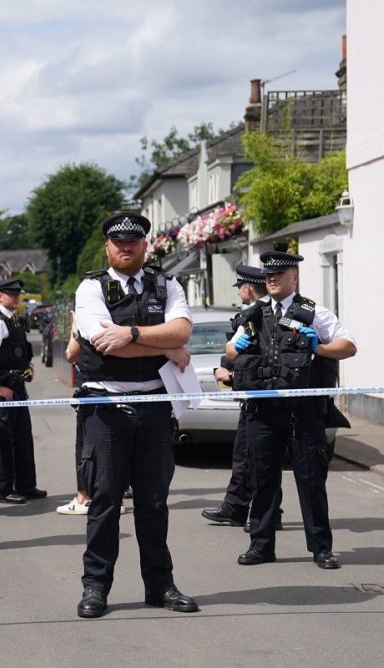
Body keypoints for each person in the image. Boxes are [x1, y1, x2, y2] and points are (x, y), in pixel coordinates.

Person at [73, 212, 198, 618]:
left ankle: (160, 586)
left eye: (134, 241)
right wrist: (162, 345)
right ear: (108, 247)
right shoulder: (91, 288)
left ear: (146, 245)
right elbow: (103, 345)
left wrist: (131, 333)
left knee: (154, 502)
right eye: (118, 242)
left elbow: (181, 333)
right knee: (105, 501)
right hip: (107, 408)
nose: (126, 247)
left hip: (155, 406)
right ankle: (96, 588)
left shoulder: (169, 284)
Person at [228, 251, 357, 570]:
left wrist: (319, 347)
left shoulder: (313, 312)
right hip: (263, 412)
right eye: (268, 274)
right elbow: (231, 350)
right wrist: (236, 349)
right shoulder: (254, 313)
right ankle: (261, 545)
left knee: (311, 481)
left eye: (279, 273)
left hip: (303, 412)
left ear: (294, 277)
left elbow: (349, 346)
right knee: (262, 481)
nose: (271, 278)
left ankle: (321, 548)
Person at [202, 264, 278, 529]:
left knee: (256, 457)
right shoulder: (258, 313)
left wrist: (231, 376)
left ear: (248, 288)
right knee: (249, 457)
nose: (239, 294)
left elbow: (257, 359)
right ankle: (238, 508)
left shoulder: (259, 315)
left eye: (240, 288)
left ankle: (261, 512)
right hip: (255, 395)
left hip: (263, 396)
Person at [0, 278, 47, 504]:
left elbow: (20, 352)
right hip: (3, 387)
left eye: (18, 294)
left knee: (23, 437)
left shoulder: (15, 320)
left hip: (17, 386)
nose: (16, 298)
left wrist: (28, 367)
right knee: (4, 439)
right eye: (11, 294)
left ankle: (26, 485)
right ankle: (4, 489)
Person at [57, 311, 91, 515]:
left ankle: (84, 497)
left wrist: (74, 326)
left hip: (92, 389)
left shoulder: (88, 319)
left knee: (84, 446)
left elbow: (71, 354)